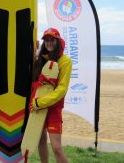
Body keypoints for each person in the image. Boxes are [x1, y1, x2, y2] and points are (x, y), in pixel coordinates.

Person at [30, 28, 72, 163]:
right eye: (46, 40)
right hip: (37, 107)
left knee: (56, 148)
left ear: (58, 41)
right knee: (41, 142)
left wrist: (40, 103)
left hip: (52, 108)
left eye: (52, 40)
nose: (49, 43)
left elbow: (62, 90)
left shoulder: (65, 61)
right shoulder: (40, 59)